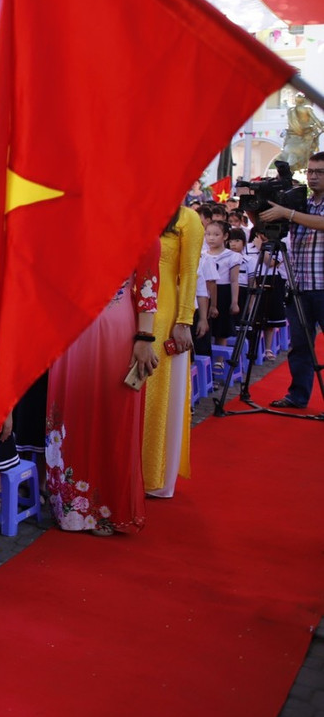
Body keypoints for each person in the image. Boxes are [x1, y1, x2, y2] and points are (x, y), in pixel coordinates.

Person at [46, 244, 160, 534]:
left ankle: (105, 507)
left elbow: (148, 286)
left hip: (114, 331)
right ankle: (68, 503)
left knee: (111, 415)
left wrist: (145, 338)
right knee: (71, 411)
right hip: (68, 328)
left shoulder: (142, 228)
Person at [142, 206, 203, 498]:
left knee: (155, 391)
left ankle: (151, 472)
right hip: (126, 311)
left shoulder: (186, 219)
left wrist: (184, 321)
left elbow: (189, 272)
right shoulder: (135, 212)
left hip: (164, 316)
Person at [258, 153, 324, 409]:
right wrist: (259, 209)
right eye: (310, 171)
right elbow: (267, 229)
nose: (313, 176)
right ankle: (297, 396)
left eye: (319, 171)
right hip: (298, 288)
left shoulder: (297, 209)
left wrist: (287, 212)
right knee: (299, 346)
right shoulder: (302, 203)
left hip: (323, 288)